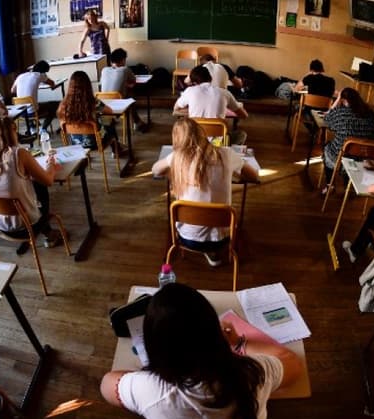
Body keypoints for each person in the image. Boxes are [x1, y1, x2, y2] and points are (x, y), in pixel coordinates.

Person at [100, 282, 302, 419]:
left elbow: (107, 385)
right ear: (216, 333)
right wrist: (239, 343)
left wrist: (143, 377)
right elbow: (292, 365)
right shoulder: (253, 372)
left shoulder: (149, 388)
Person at [152, 118, 258, 267]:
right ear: (202, 134)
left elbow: (155, 170)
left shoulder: (177, 157)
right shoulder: (225, 153)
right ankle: (212, 252)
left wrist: (172, 165)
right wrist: (235, 174)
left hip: (185, 238)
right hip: (223, 239)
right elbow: (254, 176)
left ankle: (208, 251)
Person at [0, 116, 63, 254]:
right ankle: (49, 234)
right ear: (12, 131)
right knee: (40, 185)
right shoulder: (19, 153)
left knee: (30, 186)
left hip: (1, 225)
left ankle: (47, 232)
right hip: (26, 225)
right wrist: (51, 166)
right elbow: (48, 180)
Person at [321, 87, 374, 194]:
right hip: (364, 157)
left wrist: (336, 101)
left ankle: (330, 185)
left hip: (342, 156)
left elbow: (327, 119)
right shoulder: (371, 114)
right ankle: (348, 184)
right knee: (352, 150)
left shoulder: (340, 113)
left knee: (327, 147)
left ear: (343, 100)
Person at [174, 66, 249, 145]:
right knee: (241, 134)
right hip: (217, 143)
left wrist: (192, 110)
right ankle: (224, 151)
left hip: (195, 140)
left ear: (194, 83)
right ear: (210, 78)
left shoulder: (189, 91)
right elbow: (244, 115)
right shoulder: (224, 93)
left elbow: (176, 108)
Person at [57, 70, 119, 151]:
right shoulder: (93, 102)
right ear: (88, 85)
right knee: (110, 123)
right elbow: (110, 111)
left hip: (76, 144)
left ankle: (85, 159)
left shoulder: (64, 105)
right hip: (96, 143)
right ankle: (116, 150)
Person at [99, 48, 147, 132]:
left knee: (127, 91)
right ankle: (137, 122)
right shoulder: (125, 69)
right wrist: (127, 84)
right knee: (131, 94)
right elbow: (134, 80)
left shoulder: (104, 70)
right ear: (123, 60)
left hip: (104, 105)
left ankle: (135, 121)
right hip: (118, 104)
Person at [10, 60, 56, 132]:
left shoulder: (21, 76)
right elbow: (52, 83)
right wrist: (52, 86)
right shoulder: (40, 75)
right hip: (32, 112)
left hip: (20, 112)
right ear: (43, 71)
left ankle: (32, 127)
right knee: (53, 107)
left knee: (31, 104)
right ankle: (43, 129)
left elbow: (12, 90)